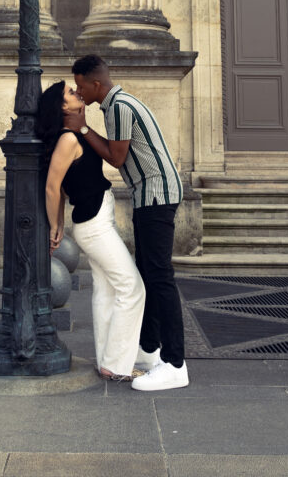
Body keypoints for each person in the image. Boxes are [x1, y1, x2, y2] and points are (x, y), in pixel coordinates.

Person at [67, 55, 189, 392]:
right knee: (148, 272)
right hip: (147, 195)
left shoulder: (119, 106)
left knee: (160, 277)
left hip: (157, 194)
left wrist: (83, 128)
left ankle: (176, 364)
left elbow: (116, 157)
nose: (78, 91)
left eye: (80, 85)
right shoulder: (114, 105)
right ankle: (149, 351)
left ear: (95, 84)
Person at [36, 80, 145, 382]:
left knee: (108, 290)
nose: (77, 94)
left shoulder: (72, 135)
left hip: (97, 219)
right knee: (132, 287)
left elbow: (57, 189)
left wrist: (57, 225)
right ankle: (120, 365)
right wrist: (55, 225)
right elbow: (51, 187)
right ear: (61, 107)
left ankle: (109, 362)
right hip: (94, 225)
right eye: (71, 93)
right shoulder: (67, 140)